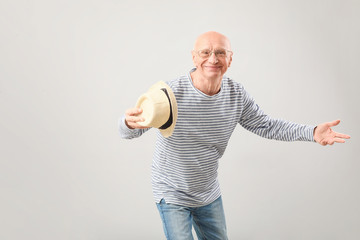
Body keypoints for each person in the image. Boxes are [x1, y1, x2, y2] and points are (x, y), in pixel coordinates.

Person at [119, 31, 350, 240]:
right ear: (193, 57)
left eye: (220, 53)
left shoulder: (236, 95)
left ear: (230, 59)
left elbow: (266, 125)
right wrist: (128, 123)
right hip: (172, 192)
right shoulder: (170, 93)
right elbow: (131, 129)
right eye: (205, 52)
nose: (213, 59)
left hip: (208, 192)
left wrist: (311, 132)